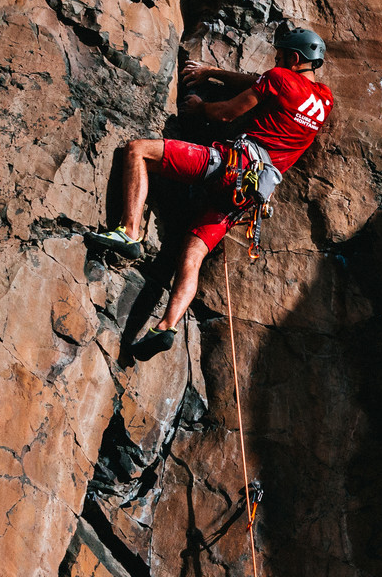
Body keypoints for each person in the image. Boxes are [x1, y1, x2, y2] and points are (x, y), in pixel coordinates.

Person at [88, 25, 334, 360]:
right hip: (250, 196)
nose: (275, 62)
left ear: (293, 58)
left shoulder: (279, 78)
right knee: (193, 254)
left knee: (138, 151)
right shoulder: (324, 99)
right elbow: (260, 82)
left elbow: (228, 112)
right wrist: (214, 72)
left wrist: (200, 107)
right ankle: (166, 326)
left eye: (279, 57)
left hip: (231, 167)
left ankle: (129, 232)